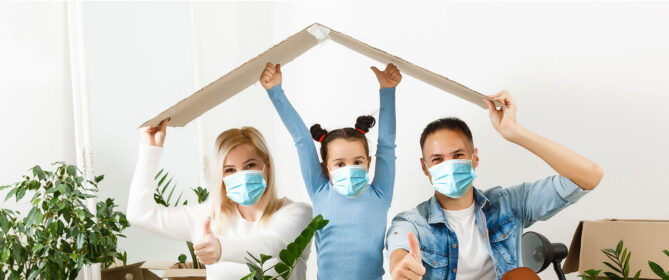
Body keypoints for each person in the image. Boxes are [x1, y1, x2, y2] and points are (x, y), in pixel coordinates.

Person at [385, 91, 604, 280]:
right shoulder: (412, 223)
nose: (449, 166)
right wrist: (401, 267)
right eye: (438, 160)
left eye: (458, 155)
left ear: (475, 158)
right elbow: (399, 250)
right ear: (425, 167)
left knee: (521, 277)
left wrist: (515, 132)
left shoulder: (508, 205)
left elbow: (589, 176)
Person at [260, 62, 400, 279]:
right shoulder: (320, 190)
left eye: (357, 161)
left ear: (369, 163)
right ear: (325, 168)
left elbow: (387, 145)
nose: (350, 168)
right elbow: (302, 140)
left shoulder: (380, 193)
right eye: (340, 164)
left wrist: (387, 90)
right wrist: (275, 91)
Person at [127, 119, 313, 279]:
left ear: (268, 166)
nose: (241, 175)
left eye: (250, 165)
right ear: (221, 176)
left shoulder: (297, 213)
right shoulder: (207, 217)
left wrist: (221, 249)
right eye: (230, 170)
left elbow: (274, 245)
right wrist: (150, 150)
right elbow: (140, 214)